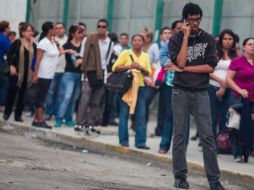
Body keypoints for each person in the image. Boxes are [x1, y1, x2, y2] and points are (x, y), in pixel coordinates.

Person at [167, 3, 224, 190]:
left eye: (197, 19)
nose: (195, 23)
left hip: (201, 91)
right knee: (180, 136)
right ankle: (180, 177)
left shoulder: (208, 39)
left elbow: (209, 67)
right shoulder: (175, 39)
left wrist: (185, 69)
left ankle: (214, 180)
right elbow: (180, 61)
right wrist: (185, 37)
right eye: (191, 20)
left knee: (207, 136)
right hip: (180, 90)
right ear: (185, 20)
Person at [112, 34, 151, 149]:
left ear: (143, 43)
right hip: (126, 88)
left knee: (141, 116)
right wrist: (129, 66)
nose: (137, 42)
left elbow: (148, 72)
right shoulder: (125, 53)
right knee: (124, 114)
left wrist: (141, 68)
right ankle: (123, 140)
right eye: (135, 40)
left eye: (140, 40)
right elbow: (115, 68)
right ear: (132, 42)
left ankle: (141, 143)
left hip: (141, 88)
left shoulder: (145, 56)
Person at [75, 18, 113, 132]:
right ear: (97, 27)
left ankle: (91, 124)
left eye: (104, 27)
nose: (101, 29)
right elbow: (82, 55)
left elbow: (107, 60)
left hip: (101, 74)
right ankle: (80, 123)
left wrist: (105, 73)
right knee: (85, 99)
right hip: (88, 73)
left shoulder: (110, 42)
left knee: (96, 101)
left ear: (107, 28)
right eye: (99, 26)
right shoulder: (89, 39)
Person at [208, 29, 238, 149]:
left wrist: (224, 87)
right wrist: (220, 82)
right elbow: (207, 71)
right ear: (220, 40)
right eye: (225, 39)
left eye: (230, 39)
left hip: (228, 90)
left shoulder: (236, 55)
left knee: (225, 118)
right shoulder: (213, 52)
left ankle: (223, 144)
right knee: (212, 118)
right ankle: (211, 145)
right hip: (212, 87)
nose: (227, 41)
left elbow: (236, 73)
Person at [226, 37, 254, 163]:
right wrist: (239, 90)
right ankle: (237, 152)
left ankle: (247, 151)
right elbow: (229, 79)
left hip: (252, 98)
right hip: (238, 97)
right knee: (235, 125)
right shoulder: (237, 61)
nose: (252, 46)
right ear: (243, 47)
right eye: (250, 44)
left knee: (250, 125)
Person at [3, 24, 36, 122]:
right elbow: (9, 55)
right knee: (12, 93)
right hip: (17, 72)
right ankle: (7, 112)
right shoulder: (17, 42)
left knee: (22, 95)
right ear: (22, 32)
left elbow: (36, 59)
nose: (30, 33)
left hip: (28, 74)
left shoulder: (34, 44)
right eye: (28, 31)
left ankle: (18, 115)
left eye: (31, 31)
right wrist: (11, 65)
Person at [54, 24, 83, 127]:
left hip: (80, 75)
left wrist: (81, 60)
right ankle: (58, 118)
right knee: (66, 96)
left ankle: (69, 118)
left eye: (82, 33)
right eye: (78, 33)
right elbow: (58, 52)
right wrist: (67, 51)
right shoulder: (67, 44)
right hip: (69, 74)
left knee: (74, 98)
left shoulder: (83, 44)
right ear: (72, 34)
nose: (81, 35)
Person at [32, 21, 59, 129]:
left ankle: (36, 119)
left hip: (49, 74)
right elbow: (38, 60)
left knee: (43, 96)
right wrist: (35, 74)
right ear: (49, 30)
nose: (56, 30)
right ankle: (39, 120)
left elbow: (55, 54)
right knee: (41, 97)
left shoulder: (52, 42)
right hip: (43, 73)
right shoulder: (43, 43)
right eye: (55, 28)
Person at [44, 22, 68, 120]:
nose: (59, 30)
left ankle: (58, 114)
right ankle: (48, 112)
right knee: (50, 93)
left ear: (64, 29)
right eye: (56, 28)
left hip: (64, 71)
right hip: (52, 70)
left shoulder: (68, 40)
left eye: (61, 28)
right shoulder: (51, 40)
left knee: (61, 94)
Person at [0, 21, 11, 106]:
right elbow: (9, 50)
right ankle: (1, 104)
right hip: (2, 63)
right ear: (6, 28)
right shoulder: (3, 38)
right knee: (4, 85)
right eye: (9, 27)